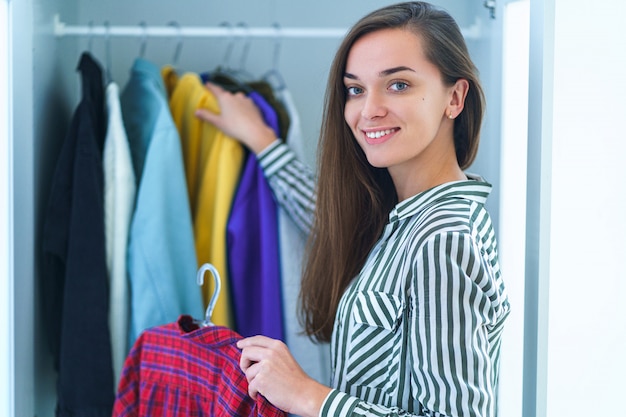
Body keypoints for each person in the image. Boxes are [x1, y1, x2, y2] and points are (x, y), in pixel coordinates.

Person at [195, 2, 510, 416]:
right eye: (355, 89)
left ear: (455, 97)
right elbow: (329, 221)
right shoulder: (400, 220)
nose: (368, 110)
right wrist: (261, 140)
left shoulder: (443, 241)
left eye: (397, 84)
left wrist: (307, 395)